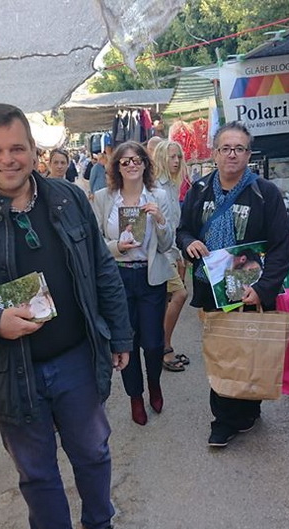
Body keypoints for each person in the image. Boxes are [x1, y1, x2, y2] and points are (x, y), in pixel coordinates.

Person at [0, 103, 132, 529]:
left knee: (93, 453)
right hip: (8, 370)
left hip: (75, 360)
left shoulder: (67, 197)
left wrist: (120, 334)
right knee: (36, 475)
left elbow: (102, 269)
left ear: (34, 150)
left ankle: (99, 521)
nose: (7, 159)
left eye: (17, 148)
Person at [176, 121, 289, 448]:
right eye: (226, 148)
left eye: (239, 149)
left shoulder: (264, 192)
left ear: (248, 154)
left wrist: (265, 287)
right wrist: (189, 243)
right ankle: (223, 420)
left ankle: (249, 407)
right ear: (214, 152)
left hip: (250, 283)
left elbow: (282, 247)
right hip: (213, 284)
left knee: (250, 348)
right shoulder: (199, 190)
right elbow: (183, 230)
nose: (232, 155)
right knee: (223, 350)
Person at [92, 140, 174, 426]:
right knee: (126, 343)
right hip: (117, 279)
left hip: (150, 277)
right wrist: (117, 247)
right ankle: (135, 397)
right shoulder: (104, 198)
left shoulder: (158, 195)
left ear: (145, 163)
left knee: (152, 343)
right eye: (124, 161)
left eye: (136, 159)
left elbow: (167, 244)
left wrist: (160, 220)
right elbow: (96, 243)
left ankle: (154, 383)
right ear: (116, 166)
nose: (131, 165)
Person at [152, 139, 191, 372]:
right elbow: (160, 228)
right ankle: (164, 348)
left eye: (178, 157)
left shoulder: (172, 185)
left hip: (172, 252)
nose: (176, 161)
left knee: (166, 301)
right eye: (171, 157)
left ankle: (162, 345)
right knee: (180, 294)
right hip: (161, 254)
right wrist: (171, 256)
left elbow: (174, 223)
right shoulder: (157, 187)